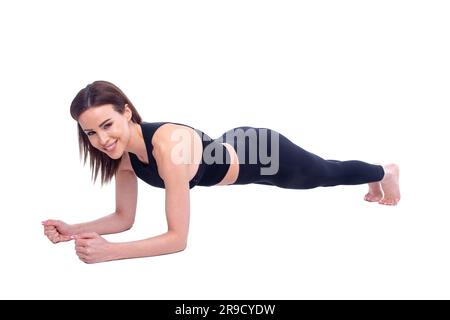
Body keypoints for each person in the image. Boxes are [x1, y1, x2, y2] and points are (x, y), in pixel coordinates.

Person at [42, 80, 401, 264]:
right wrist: (74, 229)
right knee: (326, 173)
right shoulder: (123, 156)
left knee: (325, 174)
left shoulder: (168, 147)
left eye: (107, 124)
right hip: (230, 148)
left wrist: (110, 252)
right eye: (91, 132)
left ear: (127, 112)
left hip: (264, 154)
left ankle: (384, 172)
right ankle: (377, 174)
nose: (102, 139)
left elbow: (177, 239)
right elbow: (124, 217)